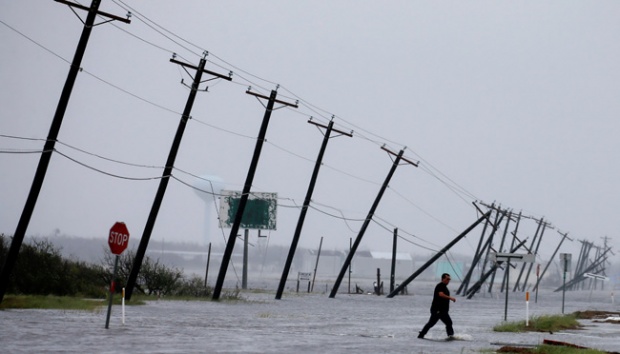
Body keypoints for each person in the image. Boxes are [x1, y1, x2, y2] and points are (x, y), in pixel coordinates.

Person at [418, 273, 456, 339]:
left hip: (442, 310)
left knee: (446, 323)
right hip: (438, 309)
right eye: (447, 279)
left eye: (449, 279)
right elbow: (441, 294)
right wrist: (450, 298)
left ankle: (421, 335)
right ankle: (450, 336)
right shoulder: (440, 286)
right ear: (442, 279)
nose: (448, 281)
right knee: (435, 323)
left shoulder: (445, 287)